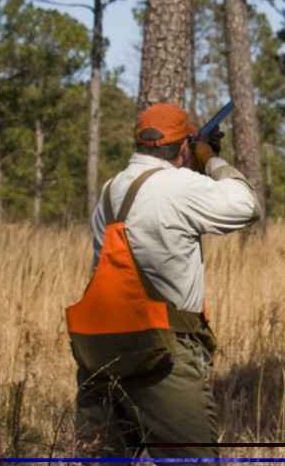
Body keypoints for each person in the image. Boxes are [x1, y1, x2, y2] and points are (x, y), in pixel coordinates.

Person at [65, 102, 262, 458]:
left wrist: (193, 161)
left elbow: (168, 212)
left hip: (100, 353)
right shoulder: (178, 184)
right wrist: (209, 160)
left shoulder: (111, 191)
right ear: (184, 147)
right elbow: (247, 205)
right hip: (161, 354)